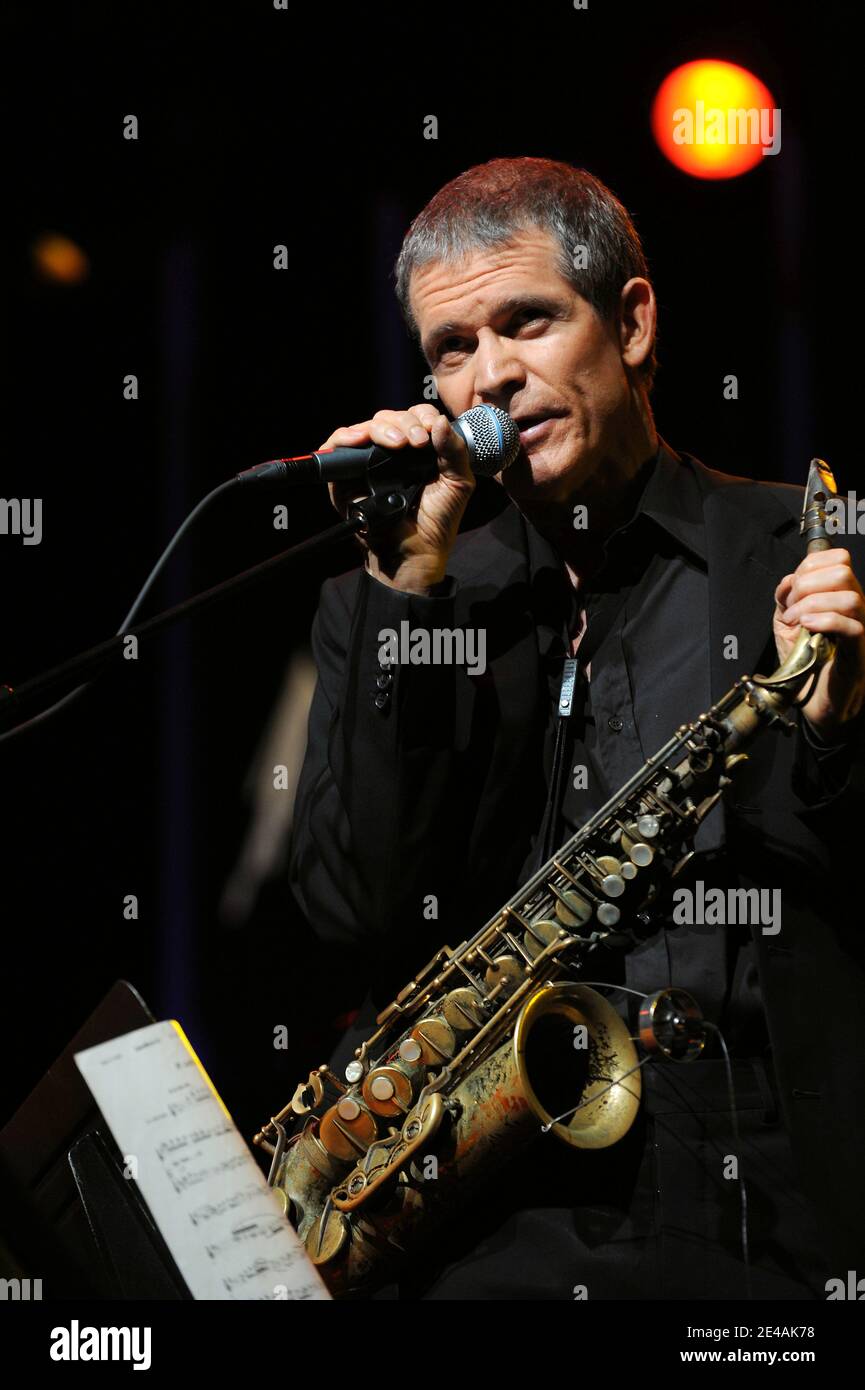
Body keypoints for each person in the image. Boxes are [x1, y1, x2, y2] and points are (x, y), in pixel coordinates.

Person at [287, 157, 865, 1300]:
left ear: (633, 323)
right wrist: (411, 591)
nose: (491, 375)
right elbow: (357, 914)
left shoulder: (808, 550)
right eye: (452, 348)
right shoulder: (390, 596)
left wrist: (835, 737)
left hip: (765, 1208)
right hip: (486, 1213)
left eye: (527, 321)